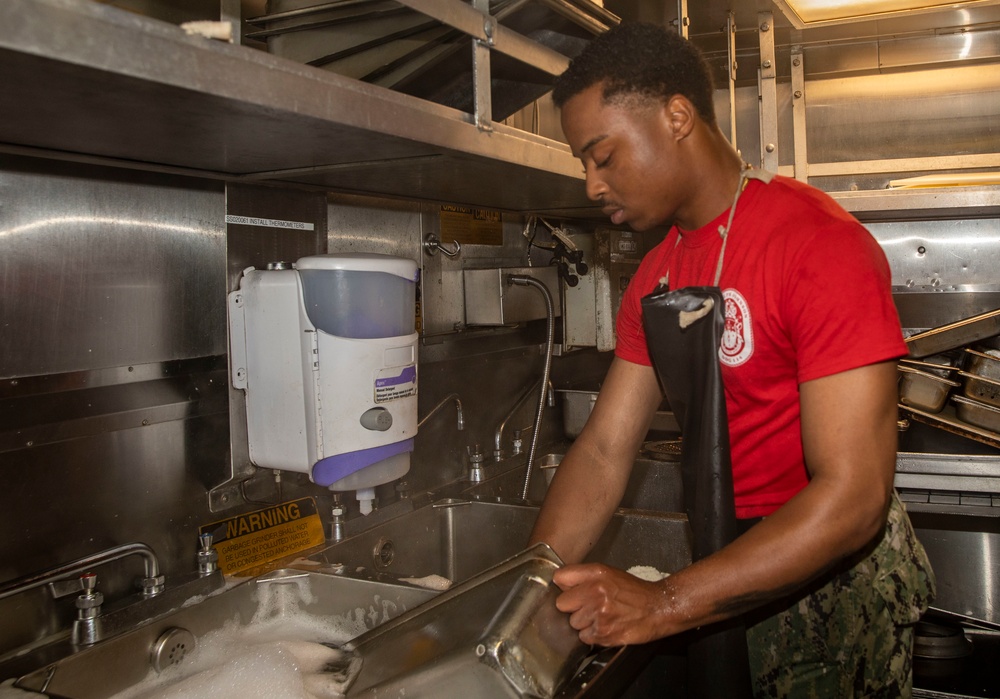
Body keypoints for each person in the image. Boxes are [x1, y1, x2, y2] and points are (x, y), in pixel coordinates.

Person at [528, 21, 936, 697]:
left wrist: (663, 603)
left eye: (602, 156)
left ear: (677, 116)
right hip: (729, 558)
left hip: (831, 575)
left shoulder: (817, 244)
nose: (592, 186)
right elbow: (603, 449)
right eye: (583, 164)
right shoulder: (655, 279)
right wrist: (532, 588)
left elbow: (854, 496)